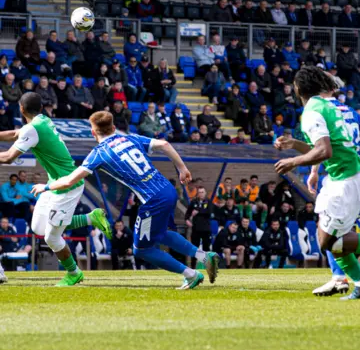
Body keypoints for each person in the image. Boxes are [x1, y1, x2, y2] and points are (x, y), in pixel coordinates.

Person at [33, 110, 221, 288]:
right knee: (160, 233)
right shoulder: (129, 137)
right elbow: (164, 144)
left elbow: (68, 181)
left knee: (142, 249)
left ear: (92, 132)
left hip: (152, 200)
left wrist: (46, 187)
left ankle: (191, 275)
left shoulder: (98, 154)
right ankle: (204, 256)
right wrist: (182, 168)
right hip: (168, 190)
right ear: (114, 128)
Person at [274, 66, 360, 299]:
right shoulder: (339, 107)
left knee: (342, 238)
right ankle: (355, 280)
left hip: (348, 177)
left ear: (299, 88)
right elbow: (358, 142)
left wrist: (295, 161)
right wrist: (297, 147)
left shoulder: (315, 110)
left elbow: (324, 150)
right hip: (345, 174)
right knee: (326, 231)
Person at [0, 93, 110, 285]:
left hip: (68, 185)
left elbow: (9, 157)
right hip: (55, 183)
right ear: (41, 108)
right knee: (38, 227)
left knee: (52, 237)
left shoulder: (32, 128)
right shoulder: (42, 121)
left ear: (22, 109)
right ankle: (90, 218)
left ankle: (74, 273)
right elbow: (16, 134)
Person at [185, 186, 214, 268]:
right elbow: (188, 213)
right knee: (194, 248)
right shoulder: (193, 202)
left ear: (205, 193)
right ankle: (193, 267)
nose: (201, 194)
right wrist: (187, 220)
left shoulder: (208, 202)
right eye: (199, 192)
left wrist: (198, 210)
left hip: (206, 229)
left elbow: (209, 212)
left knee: (206, 248)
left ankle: (208, 266)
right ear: (197, 193)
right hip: (196, 229)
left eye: (202, 192)